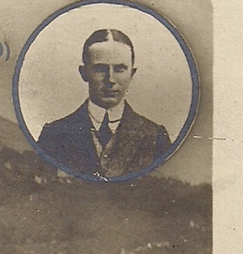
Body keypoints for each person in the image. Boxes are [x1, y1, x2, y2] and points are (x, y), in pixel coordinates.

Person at [37, 29, 172, 181]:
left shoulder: (155, 136)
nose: (111, 79)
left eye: (120, 69)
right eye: (100, 69)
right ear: (84, 73)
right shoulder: (54, 134)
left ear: (132, 74)